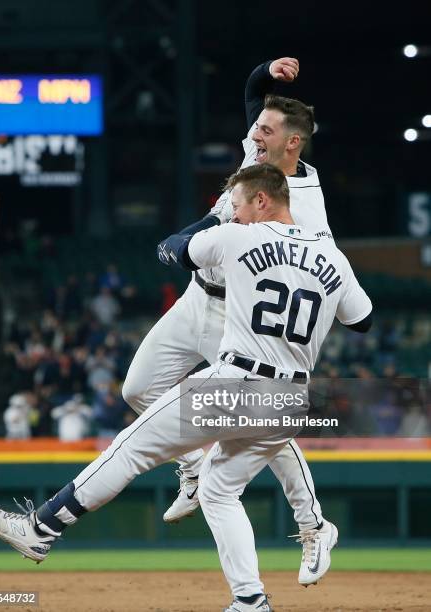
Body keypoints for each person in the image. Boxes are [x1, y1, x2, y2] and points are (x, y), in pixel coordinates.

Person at [0, 165, 372, 611]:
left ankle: (42, 528)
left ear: (262, 200)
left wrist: (213, 226)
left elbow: (173, 250)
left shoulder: (239, 237)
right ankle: (250, 600)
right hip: (290, 401)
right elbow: (362, 320)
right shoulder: (332, 257)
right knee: (219, 492)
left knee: (129, 449)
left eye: (237, 205)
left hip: (237, 384)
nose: (232, 213)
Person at [123, 56, 335, 584]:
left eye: (265, 129)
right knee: (138, 389)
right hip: (197, 298)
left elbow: (322, 277)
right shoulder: (261, 155)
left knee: (264, 419)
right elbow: (253, 94)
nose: (254, 133)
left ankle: (314, 525)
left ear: (293, 143)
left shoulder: (306, 205)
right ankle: (192, 470)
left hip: (240, 317)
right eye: (256, 127)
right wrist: (267, 71)